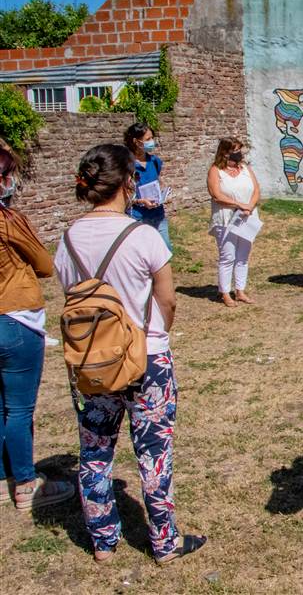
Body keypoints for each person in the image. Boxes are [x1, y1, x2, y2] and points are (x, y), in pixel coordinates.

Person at [54, 144, 205, 564]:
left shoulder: (66, 240)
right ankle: (164, 541)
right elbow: (168, 299)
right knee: (153, 453)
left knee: (95, 450)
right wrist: (157, 335)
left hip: (92, 361)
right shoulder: (143, 236)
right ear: (127, 183)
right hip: (145, 359)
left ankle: (103, 540)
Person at [0, 140, 76, 510]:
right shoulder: (7, 220)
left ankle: (4, 478)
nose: (11, 180)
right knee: (19, 408)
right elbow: (45, 265)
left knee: (2, 406)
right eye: (6, 174)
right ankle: (26, 482)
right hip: (13, 316)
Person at [207, 137, 261, 308]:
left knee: (243, 256)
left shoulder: (245, 168)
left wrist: (250, 206)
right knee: (228, 255)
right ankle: (224, 292)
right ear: (225, 152)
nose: (239, 154)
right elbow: (216, 195)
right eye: (236, 150)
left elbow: (256, 189)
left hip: (246, 217)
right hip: (226, 218)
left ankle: (240, 290)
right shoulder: (216, 170)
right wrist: (239, 205)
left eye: (240, 150)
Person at [124, 122, 172, 252]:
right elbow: (123, 195)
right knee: (142, 253)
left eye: (152, 138)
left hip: (158, 215)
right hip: (138, 217)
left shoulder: (155, 161)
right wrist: (140, 201)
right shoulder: (126, 164)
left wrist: (162, 193)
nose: (152, 142)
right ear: (136, 141)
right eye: (148, 139)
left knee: (164, 250)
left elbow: (158, 181)